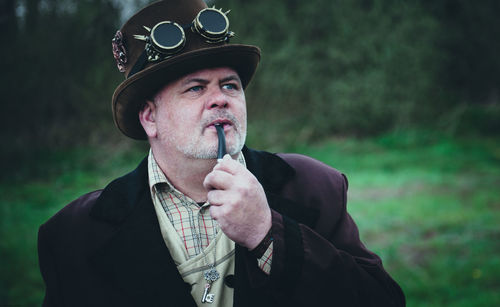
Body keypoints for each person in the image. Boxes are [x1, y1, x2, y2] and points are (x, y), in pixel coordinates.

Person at [37, 1, 405, 306]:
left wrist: (267, 233)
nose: (220, 98)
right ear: (150, 117)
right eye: (195, 88)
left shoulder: (312, 185)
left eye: (229, 85)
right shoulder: (75, 233)